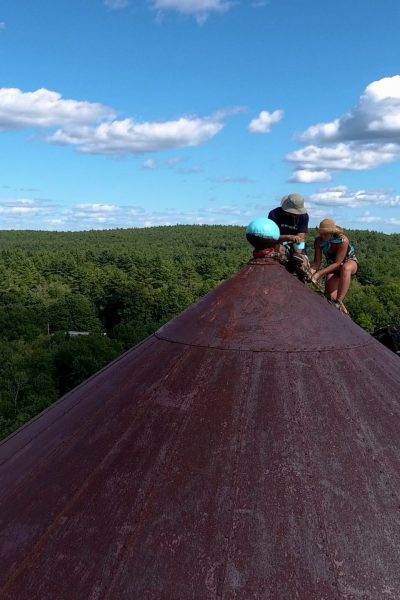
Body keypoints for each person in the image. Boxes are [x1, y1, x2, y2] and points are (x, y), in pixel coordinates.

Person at [311, 218, 358, 313]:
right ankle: (339, 311)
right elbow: (317, 263)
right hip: (333, 268)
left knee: (346, 268)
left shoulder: (343, 240)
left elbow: (338, 263)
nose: (322, 236)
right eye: (321, 233)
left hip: (348, 262)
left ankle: (340, 301)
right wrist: (310, 274)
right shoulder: (318, 241)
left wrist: (318, 274)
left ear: (332, 232)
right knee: (330, 296)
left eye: (326, 233)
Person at [268, 193, 310, 277]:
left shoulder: (304, 217)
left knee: (302, 263)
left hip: (296, 244)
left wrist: (297, 253)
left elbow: (301, 237)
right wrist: (288, 237)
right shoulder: (274, 214)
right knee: (280, 258)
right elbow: (272, 237)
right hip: (278, 243)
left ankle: (301, 278)